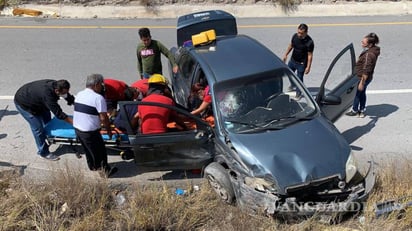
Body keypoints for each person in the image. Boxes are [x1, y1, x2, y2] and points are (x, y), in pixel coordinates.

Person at [14, 79, 75, 161]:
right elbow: (59, 114)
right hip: (25, 104)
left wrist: (75, 104)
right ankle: (43, 152)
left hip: (37, 100)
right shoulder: (48, 96)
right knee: (38, 129)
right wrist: (74, 123)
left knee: (48, 122)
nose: (64, 94)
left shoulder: (57, 85)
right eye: (63, 93)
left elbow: (66, 96)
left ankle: (51, 139)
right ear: (57, 91)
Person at [73, 74, 118, 177]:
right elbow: (103, 117)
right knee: (100, 152)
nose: (102, 87)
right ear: (97, 84)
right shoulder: (98, 98)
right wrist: (109, 130)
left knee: (88, 150)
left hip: (78, 129)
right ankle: (105, 172)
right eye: (101, 84)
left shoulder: (79, 94)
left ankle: (92, 166)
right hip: (90, 131)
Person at [346, 32, 381, 118]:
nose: (362, 43)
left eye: (363, 42)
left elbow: (366, 70)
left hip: (363, 77)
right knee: (362, 93)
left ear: (370, 44)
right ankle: (362, 110)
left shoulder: (368, 55)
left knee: (358, 93)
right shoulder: (373, 50)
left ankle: (355, 110)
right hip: (367, 77)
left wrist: (362, 82)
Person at [282, 23, 314, 98]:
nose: (299, 35)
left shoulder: (309, 42)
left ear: (306, 32)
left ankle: (298, 93)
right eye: (298, 32)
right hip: (293, 60)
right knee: (289, 74)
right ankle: (293, 85)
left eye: (301, 33)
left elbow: (310, 55)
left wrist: (308, 67)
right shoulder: (295, 36)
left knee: (299, 79)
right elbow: (291, 45)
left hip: (301, 64)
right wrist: (285, 54)